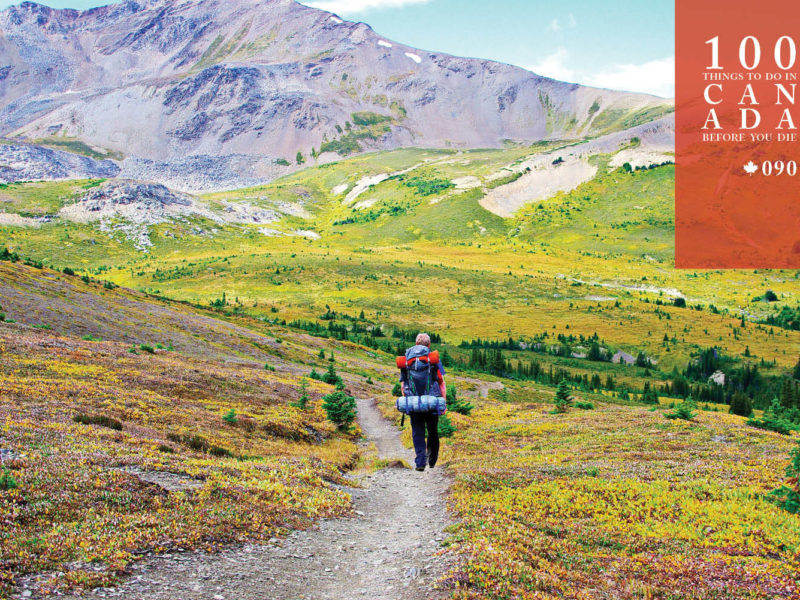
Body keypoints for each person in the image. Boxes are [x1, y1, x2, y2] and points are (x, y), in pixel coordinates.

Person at [400, 333, 446, 472]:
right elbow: (441, 381)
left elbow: (403, 384)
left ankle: (420, 462)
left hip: (414, 401)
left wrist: (408, 398)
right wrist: (443, 401)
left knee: (417, 431)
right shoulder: (433, 359)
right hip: (432, 401)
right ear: (429, 345)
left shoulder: (407, 359)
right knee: (432, 431)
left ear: (416, 343)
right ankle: (432, 461)